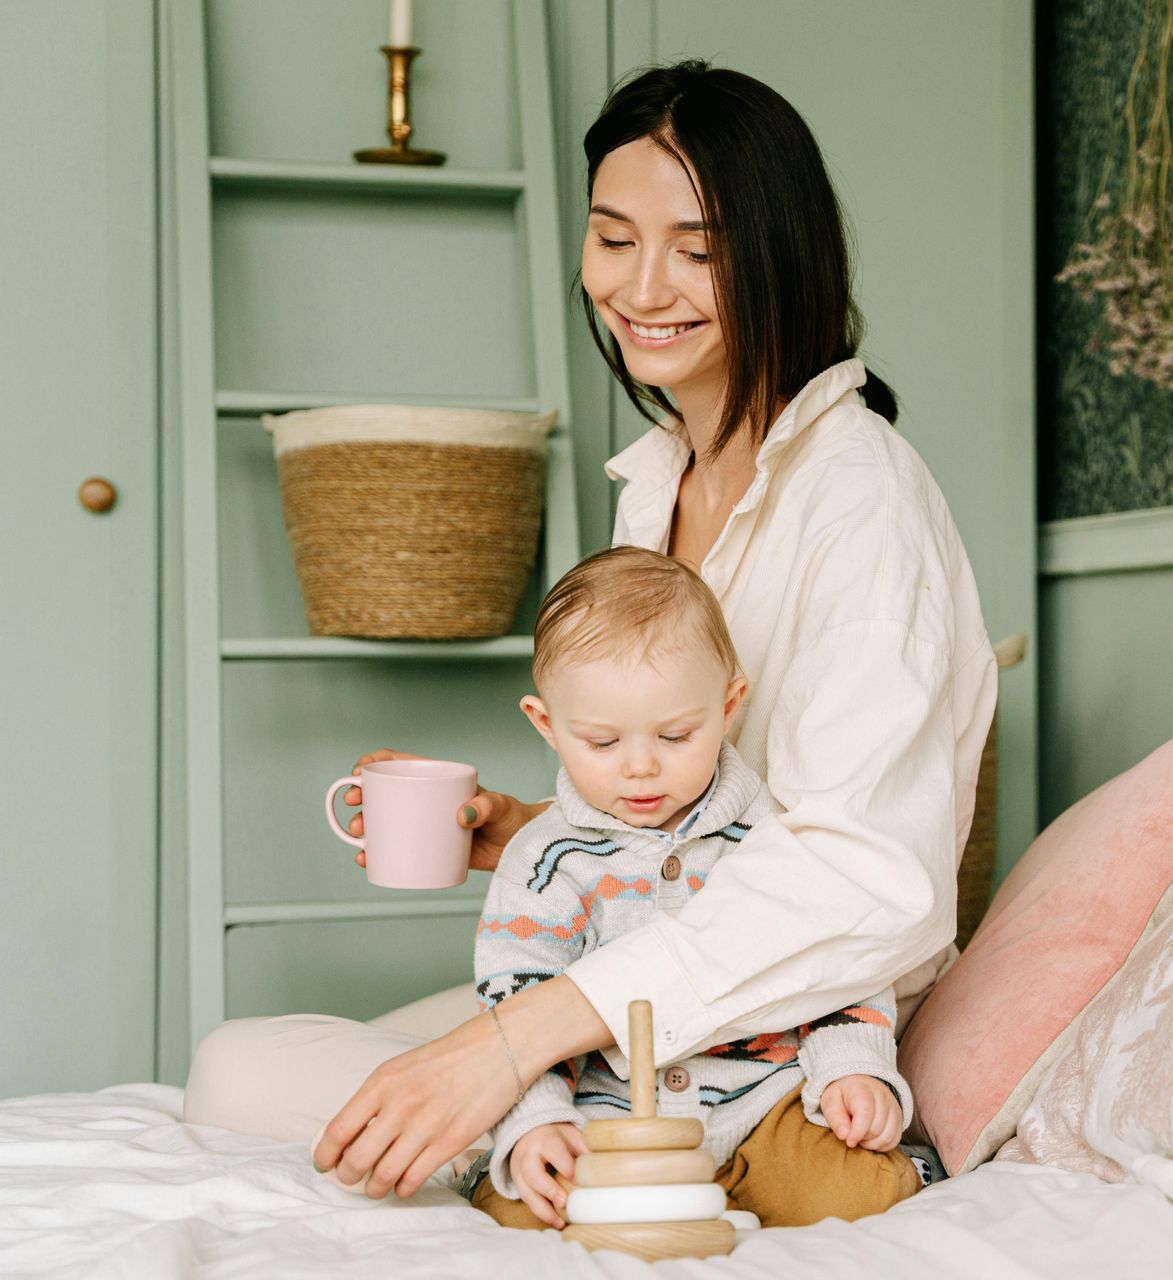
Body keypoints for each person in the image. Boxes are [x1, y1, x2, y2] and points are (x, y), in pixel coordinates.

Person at [184, 60, 996, 1208]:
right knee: (234, 1067)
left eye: (697, 249)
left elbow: (860, 873)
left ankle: (623, 1156)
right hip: (630, 989)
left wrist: (516, 1044)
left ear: (778, 254)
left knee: (347, 1087)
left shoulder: (861, 496)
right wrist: (523, 830)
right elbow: (690, 806)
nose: (642, 285)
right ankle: (568, 1144)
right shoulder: (661, 482)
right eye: (614, 238)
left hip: (790, 1035)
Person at [466, 544, 920, 1231]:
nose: (640, 767)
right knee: (525, 1206)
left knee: (861, 1190)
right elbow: (515, 1001)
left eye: (676, 735)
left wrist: (852, 1069)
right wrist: (537, 1122)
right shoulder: (544, 863)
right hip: (607, 1119)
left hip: (764, 1106)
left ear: (730, 705)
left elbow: (836, 965)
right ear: (546, 724)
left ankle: (759, 1190)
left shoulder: (777, 836)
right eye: (602, 743)